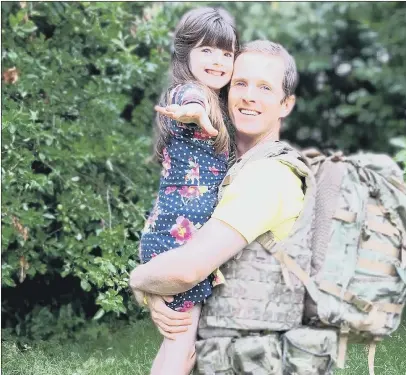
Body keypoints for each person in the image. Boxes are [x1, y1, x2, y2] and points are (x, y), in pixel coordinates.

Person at [130, 40, 309, 375]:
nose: (249, 96)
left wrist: (140, 280)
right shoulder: (227, 171)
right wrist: (160, 295)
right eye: (240, 83)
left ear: (286, 104)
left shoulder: (266, 176)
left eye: (265, 87)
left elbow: (184, 271)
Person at [137, 7, 237, 375]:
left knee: (176, 345)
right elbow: (190, 100)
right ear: (185, 53)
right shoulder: (189, 92)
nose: (218, 60)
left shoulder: (218, 102)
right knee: (182, 351)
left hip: (176, 238)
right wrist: (194, 112)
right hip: (178, 242)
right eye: (207, 50)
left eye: (226, 53)